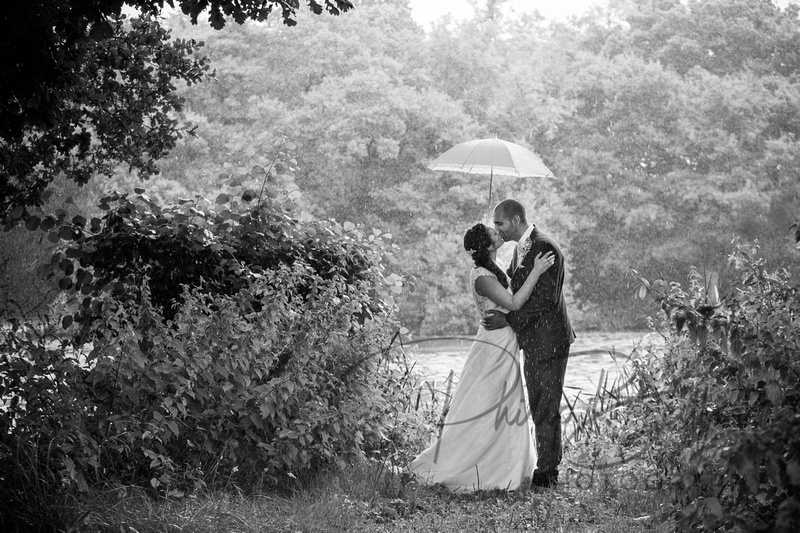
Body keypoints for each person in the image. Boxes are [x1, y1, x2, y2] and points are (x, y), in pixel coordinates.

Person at [408, 223, 555, 492]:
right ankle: (475, 465)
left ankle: (506, 462)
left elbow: (509, 297)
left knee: (507, 402)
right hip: (493, 345)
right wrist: (537, 271)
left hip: (505, 340)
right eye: (493, 233)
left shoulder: (495, 266)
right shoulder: (482, 276)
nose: (498, 233)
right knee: (489, 402)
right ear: (487, 245)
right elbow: (513, 304)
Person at [484, 199, 575, 489]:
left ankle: (548, 473)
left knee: (546, 405)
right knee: (538, 402)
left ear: (514, 220)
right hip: (534, 341)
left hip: (549, 340)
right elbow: (517, 287)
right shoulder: (520, 250)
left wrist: (508, 321)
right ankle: (546, 465)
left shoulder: (544, 247)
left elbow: (545, 300)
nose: (496, 228)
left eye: (499, 223)